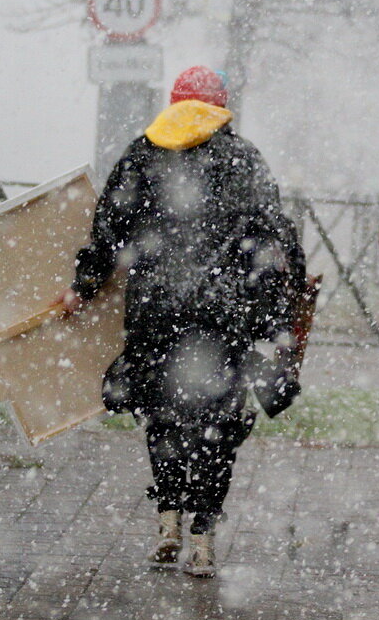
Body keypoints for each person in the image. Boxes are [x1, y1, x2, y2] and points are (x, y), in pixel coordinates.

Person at [59, 66, 306, 578]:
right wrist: (282, 308)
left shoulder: (144, 151)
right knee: (217, 425)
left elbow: (108, 227)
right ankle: (204, 539)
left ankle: (168, 520)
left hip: (157, 311)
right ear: (222, 107)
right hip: (223, 313)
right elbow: (272, 236)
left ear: (173, 104)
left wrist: (81, 287)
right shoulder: (244, 159)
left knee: (165, 418)